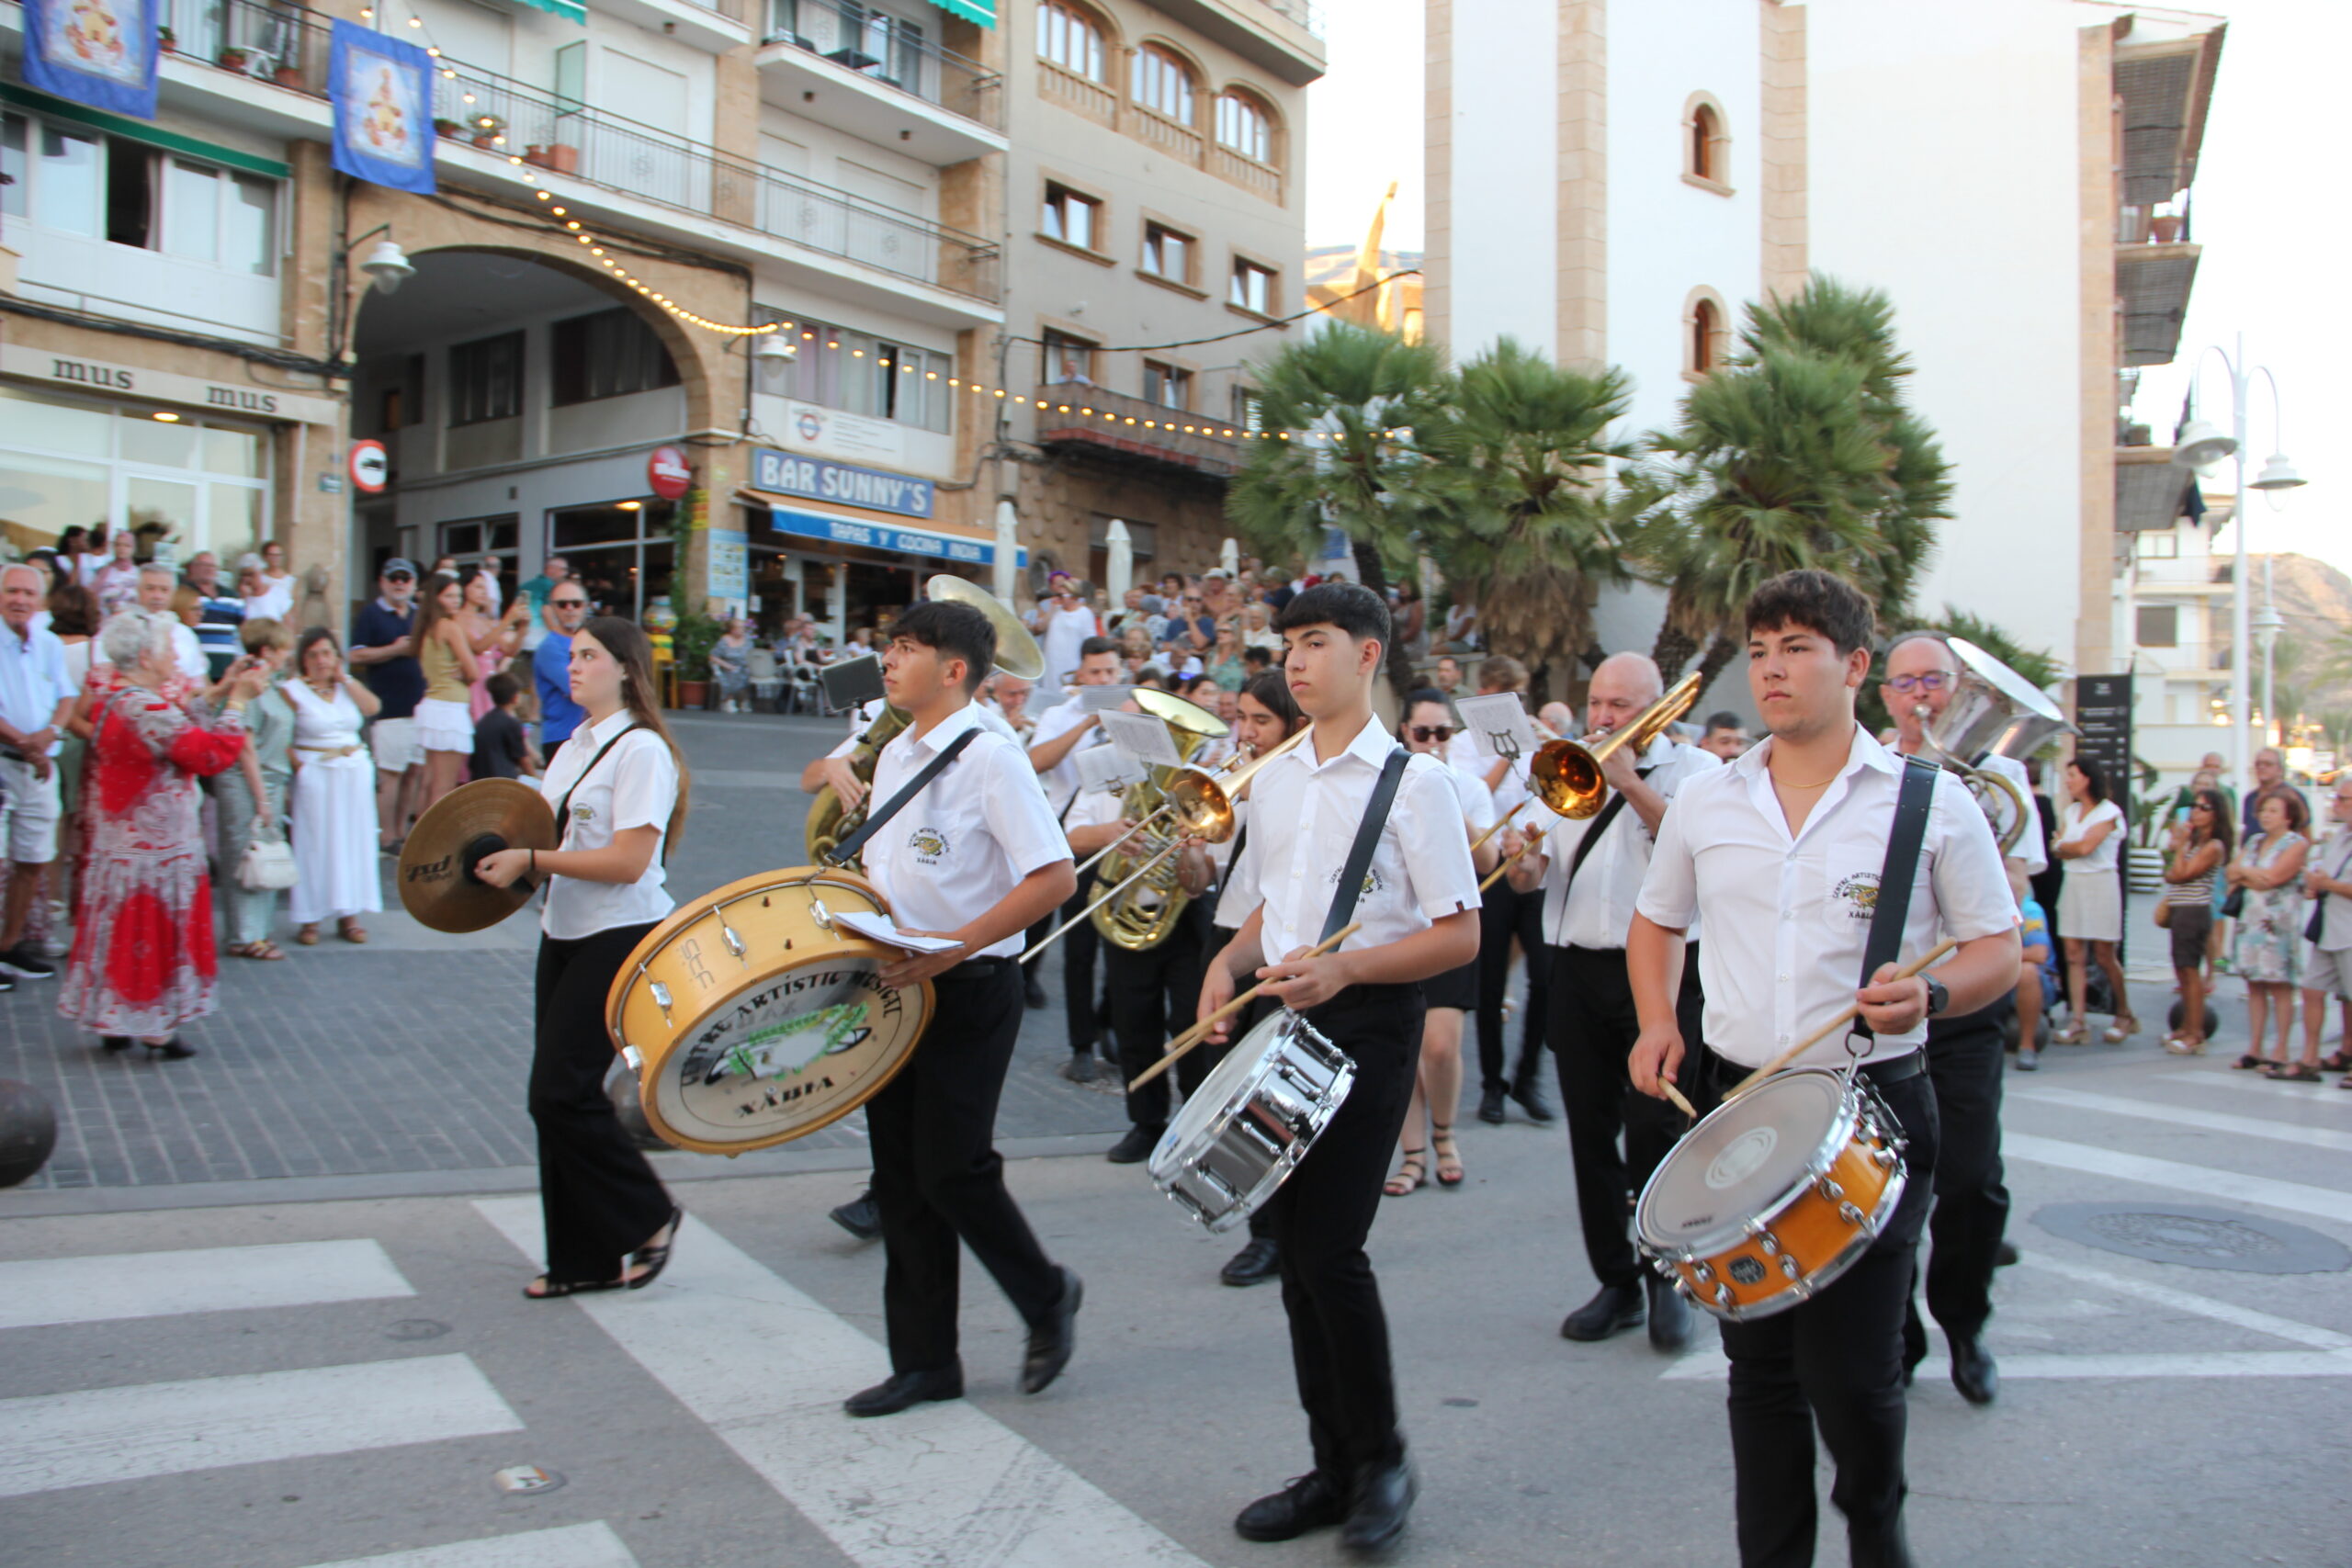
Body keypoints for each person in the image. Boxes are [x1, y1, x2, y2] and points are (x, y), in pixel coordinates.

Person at [1628, 569, 2018, 1568]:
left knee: (1851, 1376)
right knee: (1756, 1370)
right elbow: (1655, 918)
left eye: (1795, 648)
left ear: (1854, 666)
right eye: (1759, 651)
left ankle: (1878, 1539)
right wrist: (1653, 1019)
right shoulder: (1708, 800)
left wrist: (1932, 997)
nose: (1770, 670)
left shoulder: (1929, 803)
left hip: (1873, 1107)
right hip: (1740, 1097)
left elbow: (1995, 950)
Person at [1193, 581, 1480, 1552]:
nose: (1296, 662)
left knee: (1328, 1252)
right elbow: (1276, 904)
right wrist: (1224, 968)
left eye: (1315, 643)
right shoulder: (1272, 779)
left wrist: (1348, 967)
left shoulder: (1418, 783)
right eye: (1288, 646)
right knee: (1295, 1257)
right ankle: (1332, 1466)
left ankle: (1381, 1462)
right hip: (1287, 1014)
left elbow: (1460, 936)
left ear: (1367, 656)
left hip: (1371, 1021)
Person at [810, 600, 1081, 1419]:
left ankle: (1046, 1293)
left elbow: (1054, 877)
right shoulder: (894, 751)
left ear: (954, 670)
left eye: (904, 648)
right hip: (897, 978)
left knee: (951, 1166)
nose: (886, 660)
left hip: (968, 986)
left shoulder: (994, 759)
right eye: (887, 644)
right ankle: (926, 1361)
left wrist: (958, 943)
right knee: (899, 1174)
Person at [1503, 651, 1719, 1350]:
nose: (1604, 717)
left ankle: (1667, 1277)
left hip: (1657, 976)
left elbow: (1704, 862)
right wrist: (1525, 865)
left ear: (1661, 706)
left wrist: (1629, 785)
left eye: (1621, 705)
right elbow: (1539, 876)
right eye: (1597, 702)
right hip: (1576, 968)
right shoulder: (1566, 766)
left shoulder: (1699, 776)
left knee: (1656, 1132)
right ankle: (1616, 1281)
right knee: (1590, 1136)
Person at [473, 617, 686, 1300]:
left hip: (620, 932)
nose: (575, 665)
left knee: (557, 1093)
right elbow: (534, 828)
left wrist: (532, 859)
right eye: (572, 655)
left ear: (625, 668)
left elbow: (628, 861)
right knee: (558, 1097)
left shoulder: (642, 749)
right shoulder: (571, 747)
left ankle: (650, 1213)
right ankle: (581, 1260)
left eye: (590, 655)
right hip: (564, 929)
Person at [1880, 630, 2050, 1402]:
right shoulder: (1869, 765)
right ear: (1882, 693)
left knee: (1974, 1180)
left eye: (1935, 680)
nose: (1922, 694)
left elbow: (2010, 892)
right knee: (1884, 1187)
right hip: (1883, 1005)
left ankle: (1964, 1321)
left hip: (1965, 999)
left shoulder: (2000, 772)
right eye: (1905, 680)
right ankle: (1899, 1331)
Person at [61, 610, 258, 1058]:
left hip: (122, 841)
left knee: (120, 930)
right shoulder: (144, 706)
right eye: (170, 648)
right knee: (151, 930)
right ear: (147, 656)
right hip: (156, 845)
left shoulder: (117, 696)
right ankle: (154, 1026)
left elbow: (183, 722)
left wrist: (225, 688)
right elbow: (208, 754)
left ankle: (115, 1019)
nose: (175, 655)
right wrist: (240, 702)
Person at [1063, 699, 1217, 1166]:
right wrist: (1110, 833)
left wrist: (1188, 854)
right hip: (1122, 911)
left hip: (1183, 919)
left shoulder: (1191, 781)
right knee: (1135, 1025)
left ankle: (1195, 1122)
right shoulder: (1104, 769)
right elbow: (1070, 836)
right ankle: (1146, 1124)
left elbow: (1207, 864)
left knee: (1190, 1024)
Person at [1202, 670, 1311, 1288]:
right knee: (1223, 1082)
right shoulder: (1243, 782)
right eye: (1242, 718)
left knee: (1266, 1096)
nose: (1245, 733)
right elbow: (1205, 875)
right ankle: (1256, 1219)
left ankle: (1274, 1232)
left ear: (1296, 725)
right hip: (1226, 933)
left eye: (1260, 721)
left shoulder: (1298, 788)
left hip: (1274, 941)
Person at [1384, 689, 1498, 1195]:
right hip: (1401, 928)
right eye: (1421, 733)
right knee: (1405, 1046)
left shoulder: (1468, 787)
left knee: (1441, 1045)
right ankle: (1412, 1153)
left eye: (1442, 733)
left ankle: (1445, 1135)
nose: (1432, 742)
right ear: (1404, 734)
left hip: (1449, 926)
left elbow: (1488, 861)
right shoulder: (1386, 784)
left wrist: (1447, 800)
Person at [1451, 654, 1551, 1124]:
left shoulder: (1536, 741)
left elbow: (1551, 794)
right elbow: (1471, 798)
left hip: (1533, 863)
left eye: (1512, 697)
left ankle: (1529, 1078)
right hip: (1489, 870)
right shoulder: (1463, 745)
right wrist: (1505, 756)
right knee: (1490, 985)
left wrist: (1538, 751)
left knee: (1545, 979)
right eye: (1495, 695)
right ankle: (1493, 1085)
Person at [1026, 637, 1125, 1080]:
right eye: (1096, 674)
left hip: (1126, 837)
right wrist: (1086, 723)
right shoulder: (1058, 715)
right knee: (1081, 948)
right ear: (1080, 676)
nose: (1104, 680)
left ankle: (1108, 1021)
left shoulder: (1135, 711)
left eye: (1111, 673)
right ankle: (1081, 1043)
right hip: (1074, 838)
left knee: (1122, 946)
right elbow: (1035, 762)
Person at [0, 562, 76, 983]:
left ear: (40, 601)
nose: (20, 600)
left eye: (28, 594)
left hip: (40, 764)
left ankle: (8, 946)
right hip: (7, 762)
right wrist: (27, 743)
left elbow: (66, 696)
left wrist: (49, 734)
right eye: (12, 591)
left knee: (33, 859)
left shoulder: (48, 643)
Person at [283, 628, 383, 946]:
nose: (321, 661)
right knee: (315, 842)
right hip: (317, 770)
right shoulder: (291, 690)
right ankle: (310, 916)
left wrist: (346, 679)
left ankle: (349, 914)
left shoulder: (345, 688)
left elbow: (372, 708)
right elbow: (279, 735)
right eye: (313, 655)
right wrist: (301, 767)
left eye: (326, 653)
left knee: (352, 841)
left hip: (352, 770)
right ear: (303, 660)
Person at [218, 620, 296, 961]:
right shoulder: (250, 686)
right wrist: (261, 797)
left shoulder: (274, 685)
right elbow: (244, 745)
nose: (287, 655)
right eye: (282, 649)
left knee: (266, 855)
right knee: (245, 855)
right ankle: (245, 935)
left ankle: (258, 931)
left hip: (272, 778)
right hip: (248, 780)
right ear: (266, 651)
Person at [2052, 756, 2133, 1043]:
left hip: (2101, 883)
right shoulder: (2071, 812)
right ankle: (2078, 1020)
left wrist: (2063, 845)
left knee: (2104, 954)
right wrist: (2064, 846)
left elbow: (2085, 846)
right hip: (2074, 882)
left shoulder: (2109, 812)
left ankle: (2123, 1012)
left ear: (2087, 778)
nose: (2068, 780)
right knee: (2073, 954)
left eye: (2073, 774)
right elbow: (2061, 848)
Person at [2227, 790, 2309, 1075]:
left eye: (2274, 810)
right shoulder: (2254, 841)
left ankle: (2281, 1049)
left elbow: (2273, 878)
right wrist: (2253, 874)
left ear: (2288, 816)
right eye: (2264, 810)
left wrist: (2247, 874)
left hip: (2278, 924)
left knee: (2280, 986)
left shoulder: (2296, 844)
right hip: (2250, 922)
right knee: (2254, 985)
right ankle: (2255, 1047)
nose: (2266, 815)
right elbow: (2231, 872)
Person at [350, 560, 424, 852]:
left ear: (414, 584)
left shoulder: (419, 615)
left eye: (406, 578)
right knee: (390, 775)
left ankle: (401, 831)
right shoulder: (371, 614)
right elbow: (356, 655)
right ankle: (386, 836)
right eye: (394, 577)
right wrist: (396, 649)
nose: (400, 583)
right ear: (383, 581)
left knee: (412, 774)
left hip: (419, 706)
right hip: (389, 708)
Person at [2160, 788, 2231, 1055]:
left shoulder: (2213, 846)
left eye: (2204, 808)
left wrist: (2180, 847)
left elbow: (2182, 874)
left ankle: (2196, 1032)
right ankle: (2185, 1026)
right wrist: (2180, 849)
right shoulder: (2194, 842)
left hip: (2195, 910)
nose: (2196, 811)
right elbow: (2169, 873)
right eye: (2195, 806)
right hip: (2180, 908)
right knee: (2181, 969)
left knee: (2191, 972)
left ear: (2216, 815)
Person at [2300, 776, 2352, 1088]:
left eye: (2343, 799)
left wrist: (2327, 884)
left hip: (2349, 929)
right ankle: (2309, 1058)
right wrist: (2316, 885)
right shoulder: (2339, 837)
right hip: (2330, 927)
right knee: (2312, 988)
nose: (2337, 804)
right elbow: (2326, 874)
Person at [411, 572, 477, 819]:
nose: (456, 600)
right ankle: (433, 847)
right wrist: (465, 674)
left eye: (458, 595)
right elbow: (474, 670)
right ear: (436, 599)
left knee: (428, 781)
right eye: (449, 595)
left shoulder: (426, 630)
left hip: (432, 706)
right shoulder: (449, 627)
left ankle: (415, 842)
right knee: (443, 786)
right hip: (449, 709)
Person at [460, 567, 528, 722]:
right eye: (478, 587)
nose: (484, 592)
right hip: (473, 684)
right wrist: (507, 621)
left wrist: (523, 628)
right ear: (464, 588)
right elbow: (478, 647)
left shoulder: (485, 620)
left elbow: (509, 651)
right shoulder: (458, 619)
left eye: (485, 587)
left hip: (490, 686)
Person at [534, 581, 591, 763]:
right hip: (562, 738)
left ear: (585, 606)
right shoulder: (550, 647)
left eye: (576, 603)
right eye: (562, 604)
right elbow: (575, 688)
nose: (570, 609)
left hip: (589, 734)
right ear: (552, 608)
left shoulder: (591, 641)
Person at [1030, 572, 1099, 689]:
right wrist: (1052, 608)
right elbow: (1040, 628)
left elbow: (1089, 640)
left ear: (1073, 596)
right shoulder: (1056, 611)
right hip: (1053, 661)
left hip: (1072, 659)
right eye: (1058, 595)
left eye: (1062, 595)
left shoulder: (1084, 613)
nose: (1059, 598)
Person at [182, 553, 244, 681]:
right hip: (198, 669)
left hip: (227, 668)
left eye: (212, 566)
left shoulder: (231, 596)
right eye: (204, 565)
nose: (209, 569)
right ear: (193, 568)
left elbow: (243, 629)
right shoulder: (185, 594)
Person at [2015, 881, 2056, 1069]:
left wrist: (1998, 956)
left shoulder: (2029, 910)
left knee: (2028, 971)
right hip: (1998, 976)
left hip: (2037, 982)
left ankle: (2027, 1046)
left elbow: (2039, 954)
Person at [472, 671, 535, 781]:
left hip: (480, 780)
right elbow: (524, 760)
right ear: (515, 697)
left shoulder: (484, 721)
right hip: (504, 780)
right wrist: (536, 777)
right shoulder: (512, 723)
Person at [2242, 746, 2306, 845]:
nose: (2261, 767)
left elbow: (2306, 835)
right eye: (2258, 764)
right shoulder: (2250, 798)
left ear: (2280, 769)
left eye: (2268, 764)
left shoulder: (2294, 797)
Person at [517, 553, 571, 652]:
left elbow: (517, 613)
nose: (565, 574)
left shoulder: (524, 586)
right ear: (552, 569)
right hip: (541, 643)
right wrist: (563, 639)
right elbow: (546, 613)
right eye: (564, 570)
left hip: (523, 642)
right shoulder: (551, 587)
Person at [90, 529, 141, 616]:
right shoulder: (105, 571)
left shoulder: (138, 573)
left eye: (127, 546)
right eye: (118, 545)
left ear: (133, 548)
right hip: (107, 616)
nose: (122, 549)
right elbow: (93, 594)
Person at [710, 618, 753, 713]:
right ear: (732, 629)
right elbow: (713, 656)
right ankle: (729, 700)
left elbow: (751, 655)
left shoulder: (748, 640)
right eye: (739, 628)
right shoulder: (724, 640)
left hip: (744, 667)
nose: (742, 630)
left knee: (743, 673)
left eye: (743, 628)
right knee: (732, 673)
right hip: (727, 667)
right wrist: (727, 665)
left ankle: (742, 701)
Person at [1208, 617, 1250, 691]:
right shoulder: (1211, 655)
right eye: (1219, 631)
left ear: (1234, 636)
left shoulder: (1240, 659)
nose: (1220, 634)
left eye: (1225, 631)